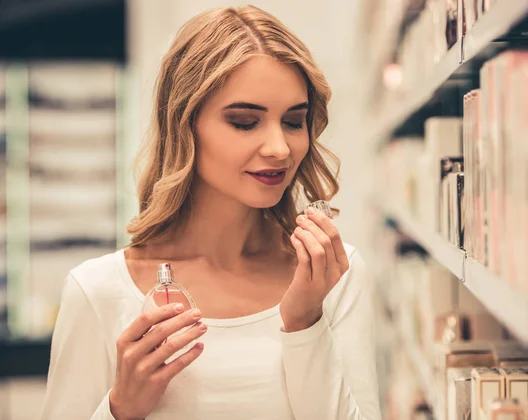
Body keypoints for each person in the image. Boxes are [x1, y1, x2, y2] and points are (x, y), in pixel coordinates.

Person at [40, 5, 380, 420]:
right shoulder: (98, 292)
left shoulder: (332, 276)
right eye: (244, 122)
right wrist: (120, 409)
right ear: (184, 124)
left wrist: (306, 323)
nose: (279, 147)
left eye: (294, 121)